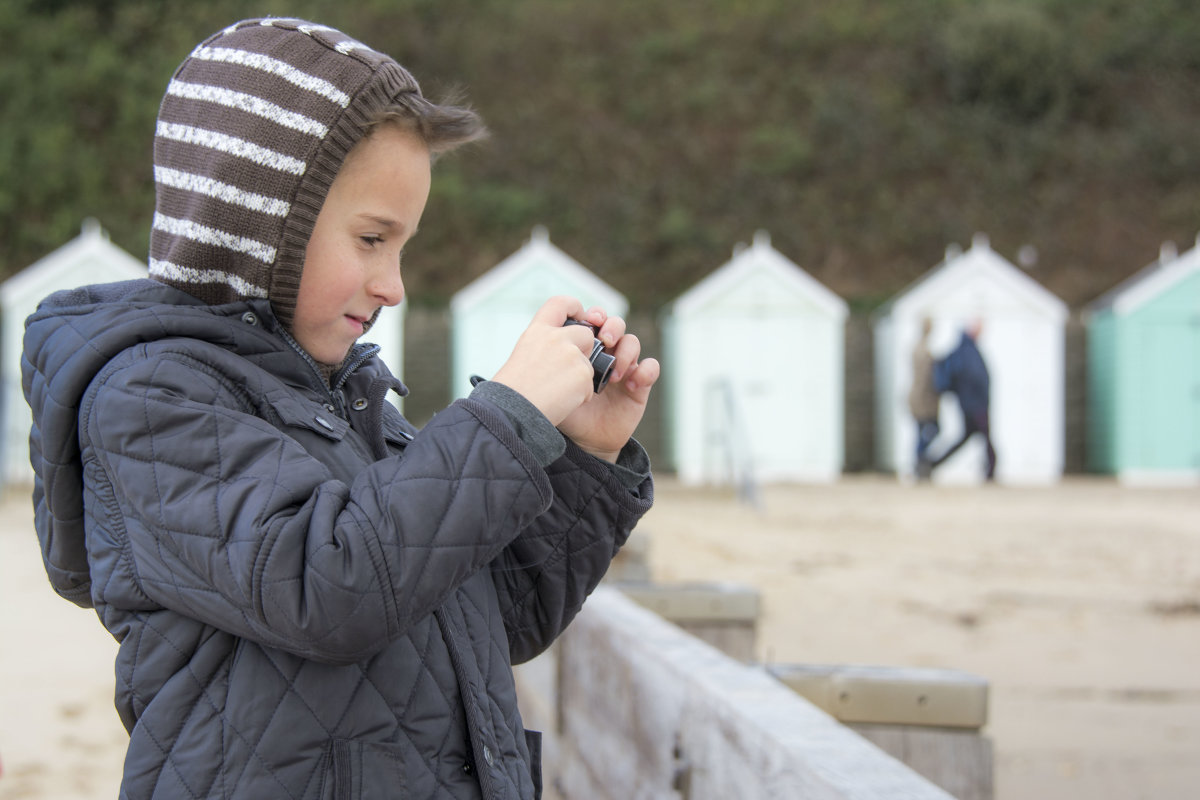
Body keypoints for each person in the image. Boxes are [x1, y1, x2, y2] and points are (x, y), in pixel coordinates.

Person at [22, 18, 658, 800]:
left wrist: (582, 459)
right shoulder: (151, 399)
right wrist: (508, 414)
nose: (393, 283)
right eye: (370, 238)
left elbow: (494, 616)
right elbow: (328, 585)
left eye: (402, 246)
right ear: (256, 229)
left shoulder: (349, 402)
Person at [930, 319, 996, 481]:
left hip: (971, 404)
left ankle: (932, 463)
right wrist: (979, 401)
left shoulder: (967, 348)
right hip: (974, 406)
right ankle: (991, 471)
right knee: (986, 439)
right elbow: (974, 379)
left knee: (966, 438)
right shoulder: (967, 350)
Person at [908, 317, 940, 480]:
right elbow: (924, 377)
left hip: (922, 397)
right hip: (921, 398)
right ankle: (920, 464)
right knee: (927, 430)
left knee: (924, 432)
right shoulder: (921, 350)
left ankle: (921, 463)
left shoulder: (921, 348)